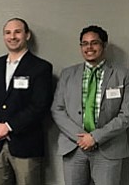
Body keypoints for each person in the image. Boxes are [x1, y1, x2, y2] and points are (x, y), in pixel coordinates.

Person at [51, 25, 129, 185]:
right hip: (74, 147)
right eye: (84, 43)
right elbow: (57, 109)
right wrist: (82, 138)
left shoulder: (123, 75)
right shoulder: (67, 74)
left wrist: (95, 137)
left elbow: (126, 114)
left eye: (94, 43)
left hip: (109, 148)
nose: (89, 47)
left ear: (104, 45)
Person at [0, 18, 53, 185]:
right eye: (8, 32)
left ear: (27, 35)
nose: (12, 36)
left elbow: (39, 106)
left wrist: (8, 127)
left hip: (26, 144)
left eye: (17, 32)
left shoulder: (40, 67)